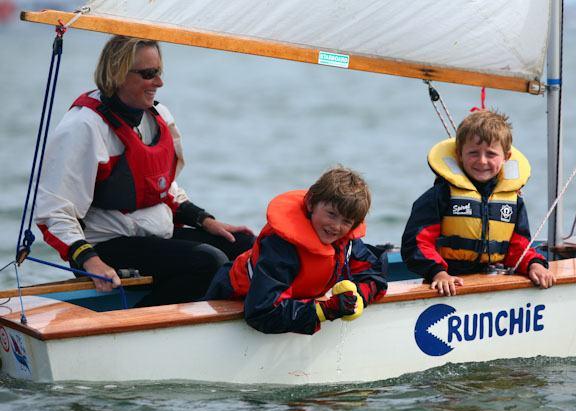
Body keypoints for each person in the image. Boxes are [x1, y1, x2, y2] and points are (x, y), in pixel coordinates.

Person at [35, 36, 254, 307]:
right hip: (108, 245)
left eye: (159, 72)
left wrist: (205, 220)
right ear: (117, 73)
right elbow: (54, 211)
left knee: (245, 246)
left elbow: (163, 187)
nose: (159, 83)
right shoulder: (83, 128)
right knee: (209, 263)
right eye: (149, 74)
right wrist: (90, 261)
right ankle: (134, 324)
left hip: (152, 236)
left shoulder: (159, 117)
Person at [204, 166, 387, 334]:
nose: (336, 227)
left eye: (346, 221)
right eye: (331, 214)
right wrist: (324, 310)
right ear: (311, 204)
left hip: (291, 303)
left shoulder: (345, 242)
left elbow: (374, 277)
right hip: (229, 297)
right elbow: (261, 312)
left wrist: (357, 299)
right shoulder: (281, 247)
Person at [401, 110, 555, 296]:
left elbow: (518, 247)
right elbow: (416, 243)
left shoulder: (514, 201)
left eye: (491, 154)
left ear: (506, 157)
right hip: (446, 285)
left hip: (493, 285)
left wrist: (534, 264)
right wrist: (438, 273)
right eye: (473, 153)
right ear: (459, 154)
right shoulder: (440, 195)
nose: (482, 161)